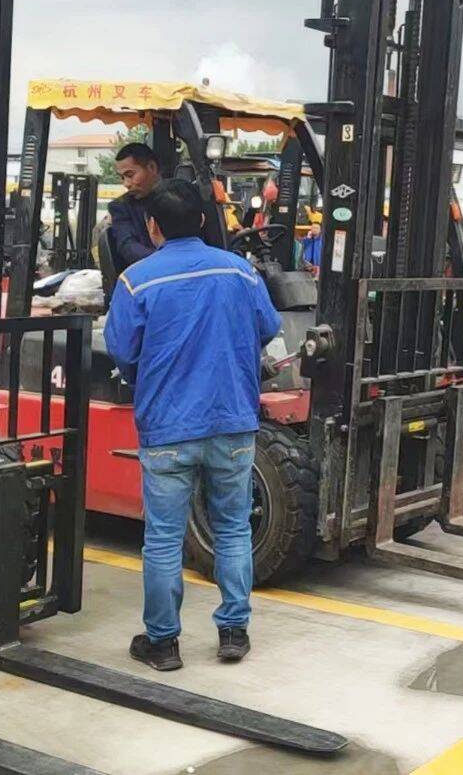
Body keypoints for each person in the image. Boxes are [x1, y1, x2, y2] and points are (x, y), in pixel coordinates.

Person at [104, 179, 282, 671]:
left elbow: (121, 350)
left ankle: (163, 643)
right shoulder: (241, 272)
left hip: (168, 426)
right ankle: (233, 632)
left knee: (163, 538)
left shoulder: (136, 281)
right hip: (233, 420)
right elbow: (269, 328)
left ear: (153, 227)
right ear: (203, 221)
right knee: (233, 528)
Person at [108, 142, 162, 269]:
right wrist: (165, 262)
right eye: (122, 177)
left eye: (130, 175)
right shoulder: (120, 207)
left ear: (152, 167)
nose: (126, 184)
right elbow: (127, 246)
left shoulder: (180, 196)